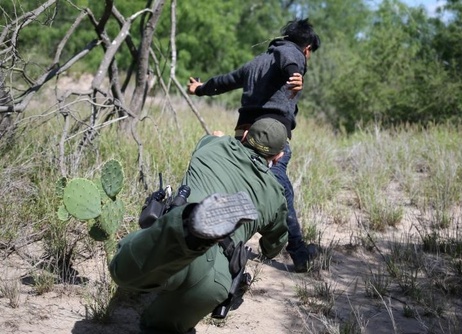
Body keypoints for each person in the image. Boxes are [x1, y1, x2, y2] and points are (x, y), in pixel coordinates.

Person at [109, 118, 289, 334]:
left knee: (123, 272)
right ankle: (200, 232)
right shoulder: (276, 195)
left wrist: (219, 137)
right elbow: (274, 246)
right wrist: (268, 247)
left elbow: (212, 139)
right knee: (159, 328)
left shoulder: (213, 144)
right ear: (278, 157)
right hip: (213, 280)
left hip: (173, 241)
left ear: (244, 134)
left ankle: (190, 226)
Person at [187, 18, 321, 272]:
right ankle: (299, 253)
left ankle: (213, 235)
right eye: (308, 55)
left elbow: (226, 81)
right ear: (307, 49)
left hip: (242, 136)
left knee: (239, 185)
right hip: (268, 139)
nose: (306, 60)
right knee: (281, 189)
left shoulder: (256, 63)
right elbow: (290, 59)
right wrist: (295, 73)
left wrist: (200, 88)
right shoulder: (291, 52)